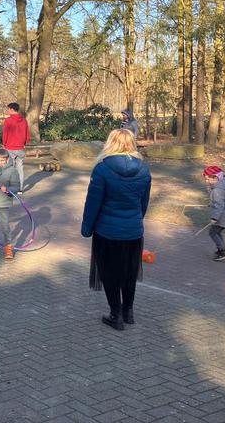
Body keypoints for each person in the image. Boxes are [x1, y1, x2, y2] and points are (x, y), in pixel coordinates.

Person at [81, 129, 151, 331]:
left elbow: (93, 203)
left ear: (110, 143)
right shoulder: (144, 170)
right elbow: (143, 203)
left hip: (107, 231)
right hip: (133, 231)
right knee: (129, 272)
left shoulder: (102, 169)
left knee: (109, 273)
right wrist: (136, 221)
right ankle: (128, 311)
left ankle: (116, 314)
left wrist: (87, 228)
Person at [203, 165, 225, 261]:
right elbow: (220, 201)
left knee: (213, 232)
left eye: (208, 179)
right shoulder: (224, 184)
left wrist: (214, 218)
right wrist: (212, 204)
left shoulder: (217, 190)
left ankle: (223, 251)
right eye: (205, 179)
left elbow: (218, 206)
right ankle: (222, 249)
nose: (206, 181)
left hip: (222, 217)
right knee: (216, 232)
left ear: (216, 178)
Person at [1, 102, 30, 194]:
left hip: (10, 147)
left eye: (8, 109)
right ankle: (20, 189)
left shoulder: (8, 120)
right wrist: (24, 143)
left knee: (10, 169)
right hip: (20, 148)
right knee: (20, 169)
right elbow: (27, 133)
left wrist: (4, 144)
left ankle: (10, 188)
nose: (7, 111)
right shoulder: (24, 120)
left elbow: (5, 133)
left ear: (12, 109)